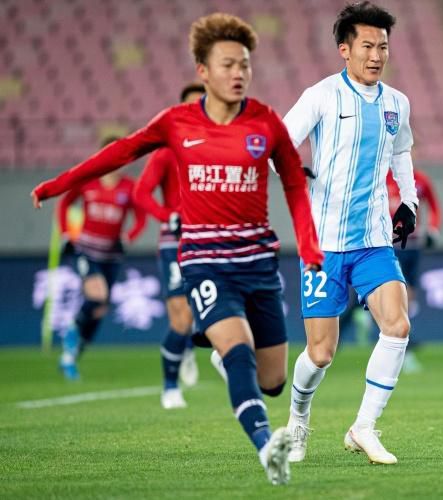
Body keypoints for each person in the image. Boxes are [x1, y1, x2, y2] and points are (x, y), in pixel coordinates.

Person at [32, 12, 323, 486]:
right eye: (228, 64)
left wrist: (309, 246)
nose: (238, 73)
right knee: (240, 353)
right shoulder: (176, 123)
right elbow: (119, 153)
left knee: (273, 382)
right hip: (205, 263)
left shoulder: (266, 122)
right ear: (202, 72)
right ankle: (267, 445)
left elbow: (293, 184)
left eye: (245, 65)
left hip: (259, 264)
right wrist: (58, 186)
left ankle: (223, 356)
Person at [282, 1, 418, 465]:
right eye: (367, 45)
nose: (377, 54)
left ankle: (364, 427)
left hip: (373, 238)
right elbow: (283, 139)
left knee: (397, 326)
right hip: (322, 246)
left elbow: (402, 154)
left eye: (383, 46)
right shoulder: (321, 95)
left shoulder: (397, 103)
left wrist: (410, 203)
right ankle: (298, 420)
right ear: (344, 49)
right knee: (320, 353)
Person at [133, 82, 205, 410]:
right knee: (181, 318)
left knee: (213, 314)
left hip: (209, 239)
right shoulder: (165, 152)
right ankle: (170, 387)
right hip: (175, 241)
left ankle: (191, 345)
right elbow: (141, 193)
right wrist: (168, 215)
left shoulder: (215, 149)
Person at [55, 136, 147, 381]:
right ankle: (72, 331)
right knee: (97, 295)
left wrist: (128, 237)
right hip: (86, 250)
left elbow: (141, 218)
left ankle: (72, 355)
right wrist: (66, 233)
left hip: (112, 255)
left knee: (100, 308)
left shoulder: (129, 187)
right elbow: (64, 204)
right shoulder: (87, 181)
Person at [386, 167, 442, 373]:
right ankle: (400, 348)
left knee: (409, 296)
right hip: (391, 246)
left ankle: (401, 344)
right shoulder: (382, 178)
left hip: (414, 246)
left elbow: (435, 207)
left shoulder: (421, 180)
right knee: (399, 294)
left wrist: (433, 229)